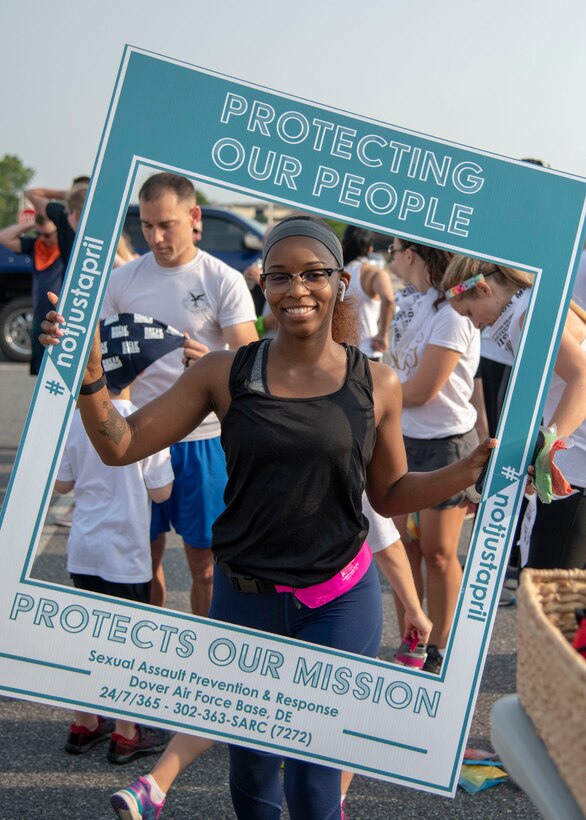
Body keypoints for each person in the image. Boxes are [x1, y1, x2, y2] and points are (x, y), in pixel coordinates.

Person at [41, 216, 493, 820]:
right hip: (245, 598)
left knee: (314, 782)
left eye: (313, 274)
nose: (296, 289)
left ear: (338, 281)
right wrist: (90, 376)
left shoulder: (375, 381)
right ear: (264, 287)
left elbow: (387, 494)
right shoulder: (224, 372)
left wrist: (468, 473)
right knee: (251, 780)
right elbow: (120, 445)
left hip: (338, 601)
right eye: (280, 276)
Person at [101, 172, 258, 615]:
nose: (155, 236)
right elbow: (111, 367)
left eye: (166, 224)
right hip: (141, 437)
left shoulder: (221, 279)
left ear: (194, 217)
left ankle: (197, 663)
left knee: (204, 563)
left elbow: (248, 361)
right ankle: (148, 648)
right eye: (147, 225)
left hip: (202, 441)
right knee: (141, 559)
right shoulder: (123, 280)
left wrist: (212, 360)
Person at [55, 316, 175, 764]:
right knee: (126, 643)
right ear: (140, 372)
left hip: (83, 549)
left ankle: (85, 722)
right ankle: (127, 731)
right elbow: (161, 491)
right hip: (126, 556)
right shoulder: (146, 422)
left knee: (88, 634)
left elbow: (63, 486)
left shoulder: (75, 419)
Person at [441, 256, 586, 572]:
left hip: (578, 472)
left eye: (468, 313)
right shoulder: (527, 310)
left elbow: (582, 377)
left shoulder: (526, 316)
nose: (474, 324)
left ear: (483, 288)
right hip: (576, 469)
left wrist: (547, 447)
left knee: (549, 595)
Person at [388, 238, 481, 673]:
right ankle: (412, 642)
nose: (388, 257)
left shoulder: (452, 313)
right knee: (402, 550)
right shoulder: (418, 301)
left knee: (439, 552)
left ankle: (441, 647)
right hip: (402, 441)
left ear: (411, 254)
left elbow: (424, 391)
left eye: (393, 248)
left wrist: (371, 395)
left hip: (444, 444)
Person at [0, 212, 64, 374]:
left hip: (60, 317)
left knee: (58, 370)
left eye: (47, 234)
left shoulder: (67, 247)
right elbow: (4, 237)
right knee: (41, 371)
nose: (42, 238)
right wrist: (31, 223)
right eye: (38, 233)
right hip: (39, 316)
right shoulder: (36, 246)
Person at [342, 225, 395, 361]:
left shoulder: (335, 273)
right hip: (368, 350)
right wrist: (383, 335)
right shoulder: (373, 273)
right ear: (369, 248)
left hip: (339, 350)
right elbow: (388, 299)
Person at [25, 182, 88, 268]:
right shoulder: (108, 233)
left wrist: (70, 195)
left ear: (74, 214)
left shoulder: (64, 218)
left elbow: (32, 194)